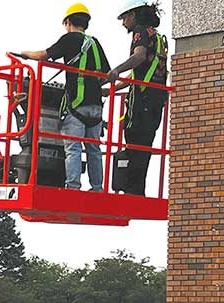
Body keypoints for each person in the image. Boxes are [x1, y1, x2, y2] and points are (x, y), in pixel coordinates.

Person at [19, 3, 110, 192]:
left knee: (73, 148)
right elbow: (106, 74)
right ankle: (97, 188)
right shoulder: (94, 43)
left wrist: (25, 54)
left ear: (68, 22)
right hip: (96, 107)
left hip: (76, 105)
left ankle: (73, 187)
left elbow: (45, 55)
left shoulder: (69, 38)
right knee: (94, 150)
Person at [105, 0, 169, 196]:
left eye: (124, 18)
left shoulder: (140, 31)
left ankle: (132, 189)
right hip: (156, 99)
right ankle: (137, 190)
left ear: (133, 15)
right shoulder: (157, 37)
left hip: (141, 100)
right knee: (144, 145)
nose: (123, 23)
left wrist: (116, 70)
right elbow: (140, 73)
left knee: (133, 140)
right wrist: (111, 90)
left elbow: (139, 57)